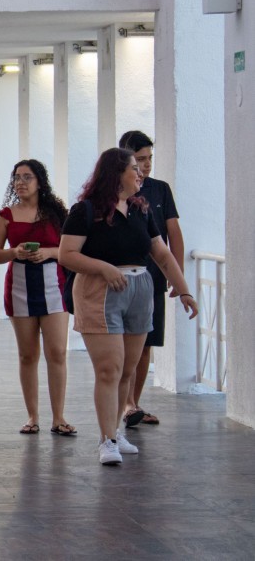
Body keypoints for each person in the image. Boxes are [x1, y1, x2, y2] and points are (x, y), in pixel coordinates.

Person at [59, 148, 197, 466]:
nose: (141, 173)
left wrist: (184, 290)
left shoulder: (140, 209)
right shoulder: (86, 210)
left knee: (128, 369)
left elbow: (161, 254)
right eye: (135, 167)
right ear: (116, 173)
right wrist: (104, 268)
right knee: (109, 368)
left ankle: (118, 430)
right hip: (99, 290)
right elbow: (68, 255)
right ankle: (106, 439)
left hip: (139, 289)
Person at [0, 159, 76, 436]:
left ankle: (59, 417)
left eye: (27, 177)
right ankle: (32, 416)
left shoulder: (57, 213)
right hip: (20, 288)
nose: (21, 182)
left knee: (57, 353)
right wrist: (14, 253)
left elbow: (71, 249)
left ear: (40, 182)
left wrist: (48, 252)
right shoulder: (6, 215)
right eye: (17, 177)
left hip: (53, 286)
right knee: (27, 355)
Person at [118, 131, 184, 428]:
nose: (145, 166)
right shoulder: (117, 191)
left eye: (149, 159)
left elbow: (173, 234)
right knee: (122, 344)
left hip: (154, 278)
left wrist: (177, 276)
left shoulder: (160, 190)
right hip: (122, 279)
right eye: (140, 160)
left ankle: (133, 403)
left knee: (145, 343)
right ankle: (120, 403)